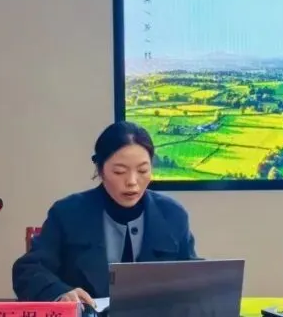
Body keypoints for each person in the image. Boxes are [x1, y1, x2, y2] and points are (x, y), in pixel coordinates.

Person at [12, 121, 197, 305]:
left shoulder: (172, 215)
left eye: (143, 170)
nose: (132, 181)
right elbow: (28, 270)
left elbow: (193, 275)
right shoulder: (67, 213)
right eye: (119, 172)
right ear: (100, 170)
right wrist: (60, 293)